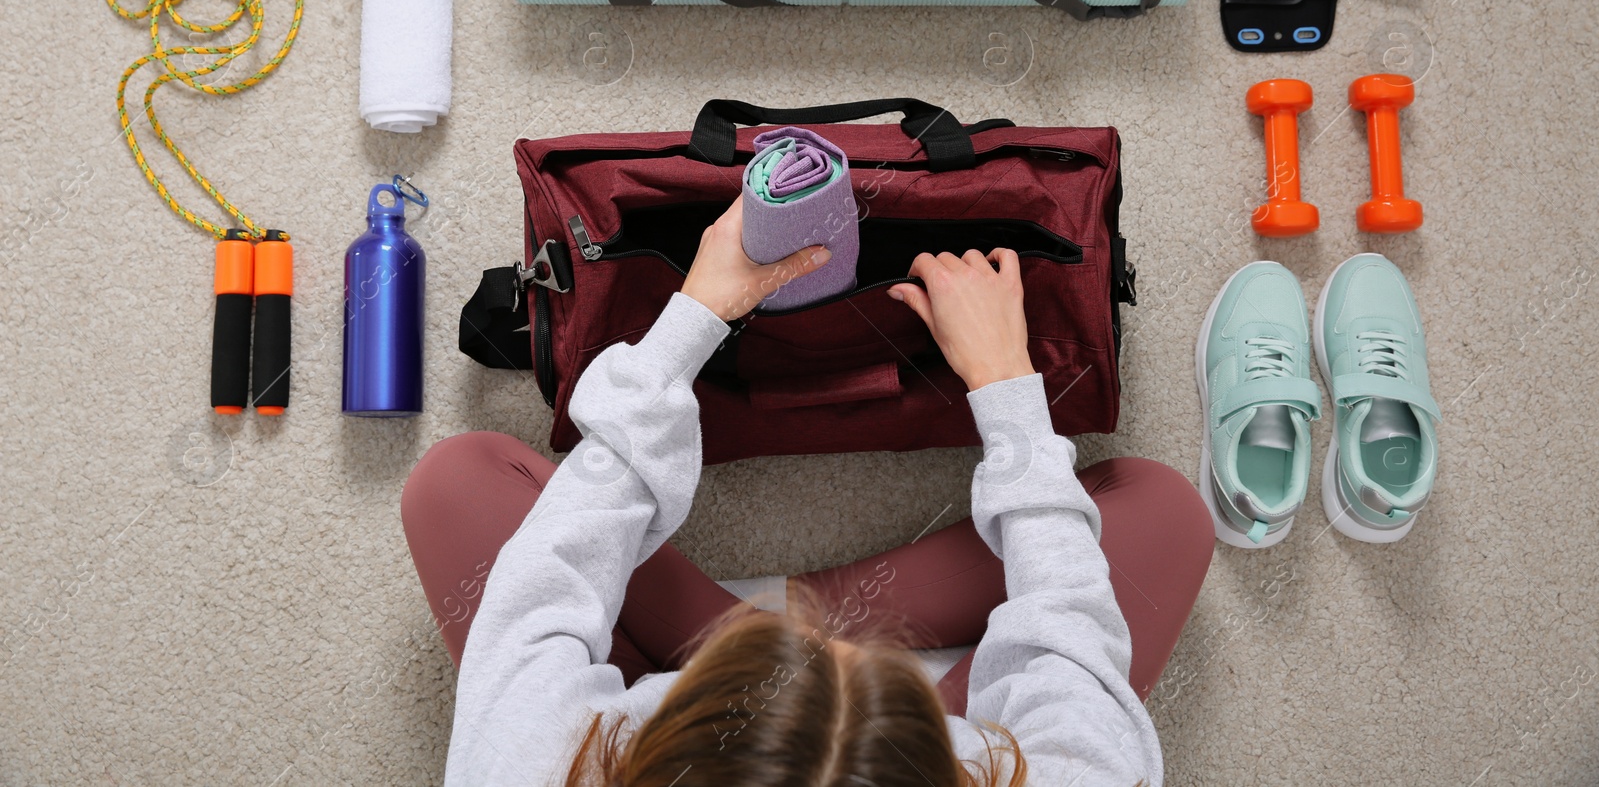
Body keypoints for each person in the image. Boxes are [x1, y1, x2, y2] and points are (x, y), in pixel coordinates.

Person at [402, 200, 1214, 786]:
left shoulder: (528, 765)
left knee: (457, 484)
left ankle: (765, 623)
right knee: (1162, 514)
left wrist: (692, 321)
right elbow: (1069, 638)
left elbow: (538, 589)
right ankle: (794, 618)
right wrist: (1006, 386)